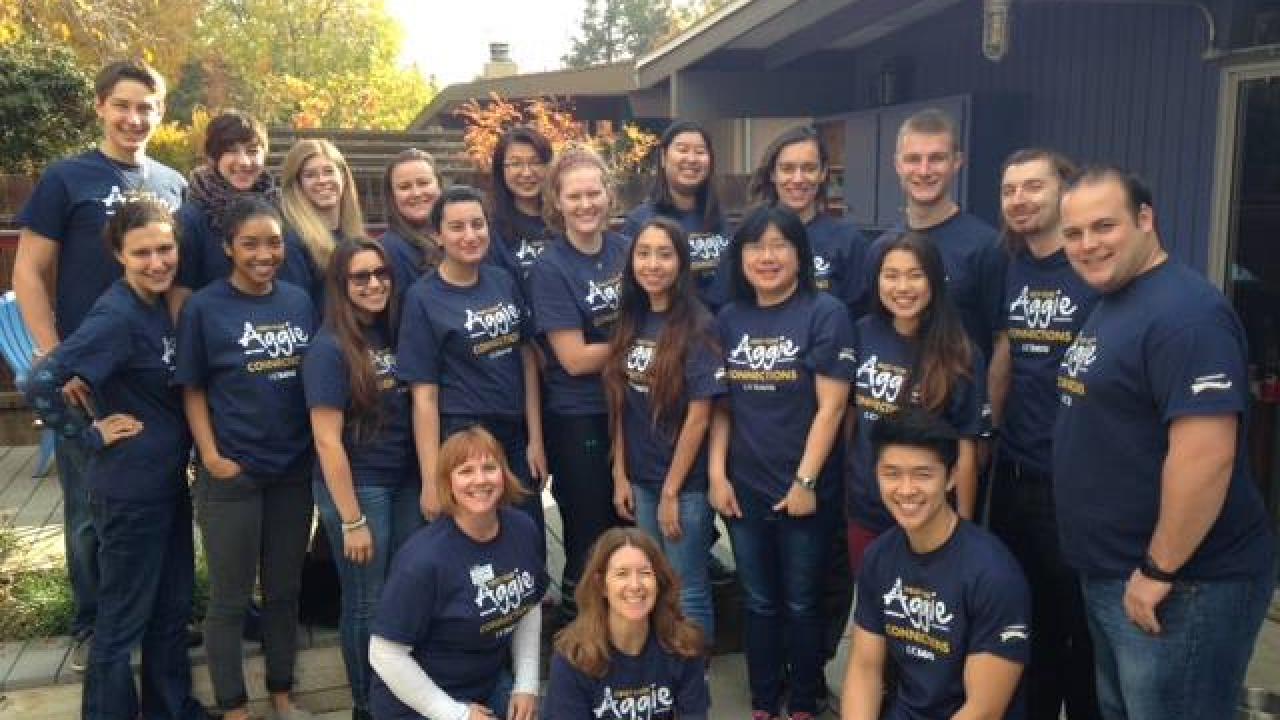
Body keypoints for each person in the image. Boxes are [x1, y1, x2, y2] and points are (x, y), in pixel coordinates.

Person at [1054, 167, 1276, 720]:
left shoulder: (1187, 315)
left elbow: (1206, 456)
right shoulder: (1117, 300)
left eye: (1104, 226)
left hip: (1182, 589)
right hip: (1117, 577)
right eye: (1074, 233)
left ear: (1145, 219)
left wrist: (1158, 570)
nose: (1087, 244)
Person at [13, 58, 186, 671]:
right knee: (90, 507)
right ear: (101, 107)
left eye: (146, 107)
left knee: (156, 500)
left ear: (161, 113)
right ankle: (96, 625)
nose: (134, 118)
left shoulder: (171, 183)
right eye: (123, 105)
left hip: (149, 373)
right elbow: (29, 270)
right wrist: (51, 351)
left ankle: (156, 618)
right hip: (89, 371)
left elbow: (176, 279)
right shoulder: (66, 178)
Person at [24, 197, 205, 719]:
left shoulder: (156, 304)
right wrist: (89, 437)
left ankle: (172, 710)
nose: (157, 262)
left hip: (166, 484)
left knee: (170, 612)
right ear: (120, 255)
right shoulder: (117, 313)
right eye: (142, 252)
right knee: (122, 623)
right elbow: (40, 383)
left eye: (165, 249)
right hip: (129, 491)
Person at [708, 205, 856, 720]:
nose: (766, 257)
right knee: (759, 602)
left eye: (779, 246)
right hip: (743, 488)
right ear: (740, 256)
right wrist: (716, 475)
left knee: (801, 602)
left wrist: (805, 481)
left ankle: (806, 698)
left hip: (804, 491)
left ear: (799, 254)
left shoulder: (825, 313)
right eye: (755, 247)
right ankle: (764, 698)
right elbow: (721, 407)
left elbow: (833, 407)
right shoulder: (728, 319)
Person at [176, 197, 317, 720]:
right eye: (251, 243)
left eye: (274, 242)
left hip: (292, 472)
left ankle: (283, 695)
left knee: (284, 592)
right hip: (232, 475)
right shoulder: (204, 308)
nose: (264, 253)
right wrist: (210, 456)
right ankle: (234, 708)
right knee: (230, 600)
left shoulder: (300, 301)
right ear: (229, 248)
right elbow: (191, 388)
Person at [986, 149, 1100, 720]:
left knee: (1077, 629)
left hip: (1076, 482)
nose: (1020, 200)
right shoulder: (1015, 264)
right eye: (1010, 190)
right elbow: (1007, 348)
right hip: (1015, 471)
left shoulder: (1090, 266)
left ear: (1065, 190)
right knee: (1023, 619)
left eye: (1034, 186)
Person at [842, 411, 1031, 720]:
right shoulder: (879, 557)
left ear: (951, 476)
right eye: (891, 473)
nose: (905, 490)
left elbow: (983, 710)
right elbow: (865, 670)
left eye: (922, 474)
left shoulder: (993, 574)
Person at [304, 238, 422, 720]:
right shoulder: (329, 348)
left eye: (381, 274)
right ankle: (365, 703)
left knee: (400, 596)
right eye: (360, 277)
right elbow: (327, 440)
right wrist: (352, 521)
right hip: (359, 489)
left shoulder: (394, 333)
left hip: (405, 481)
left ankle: (399, 694)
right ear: (341, 285)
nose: (374, 284)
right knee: (366, 603)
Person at [398, 185, 547, 536]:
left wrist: (536, 439)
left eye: (478, 225)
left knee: (526, 536)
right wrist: (432, 478)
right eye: (457, 227)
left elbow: (526, 358)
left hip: (513, 436)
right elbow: (424, 397)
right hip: (463, 439)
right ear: (438, 235)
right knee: (474, 542)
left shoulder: (502, 281)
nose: (470, 235)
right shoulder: (422, 298)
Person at [603, 216, 725, 644]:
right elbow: (621, 403)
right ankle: (660, 674)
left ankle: (695, 683)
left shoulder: (698, 323)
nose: (652, 264)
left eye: (664, 254)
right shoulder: (631, 317)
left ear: (681, 263)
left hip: (683, 486)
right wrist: (620, 472)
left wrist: (672, 490)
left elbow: (700, 416)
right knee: (649, 580)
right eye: (644, 253)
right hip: (640, 478)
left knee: (686, 586)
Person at [368, 426, 545, 720]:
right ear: (447, 483)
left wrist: (526, 684)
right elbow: (384, 654)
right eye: (465, 471)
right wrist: (455, 714)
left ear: (504, 474)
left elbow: (529, 602)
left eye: (489, 468)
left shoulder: (522, 529)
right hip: (418, 702)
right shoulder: (423, 560)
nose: (480, 480)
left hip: (486, 685)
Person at [845, 232, 987, 573]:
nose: (903, 287)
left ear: (934, 281)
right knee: (873, 604)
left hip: (931, 513)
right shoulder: (860, 333)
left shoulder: (961, 353)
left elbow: (967, 448)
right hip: (866, 506)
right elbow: (848, 416)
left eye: (915, 275)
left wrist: (963, 530)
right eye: (891, 275)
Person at [528, 145, 628, 612]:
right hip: (579, 416)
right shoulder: (551, 268)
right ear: (557, 202)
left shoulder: (628, 252)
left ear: (609, 195)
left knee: (629, 528)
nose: (586, 204)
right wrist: (648, 349)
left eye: (594, 193)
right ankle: (580, 631)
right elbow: (574, 358)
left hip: (633, 408)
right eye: (575, 196)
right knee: (589, 533)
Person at [872, 108, 1006, 360]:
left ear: (956, 162)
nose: (924, 170)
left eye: (936, 158)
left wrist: (988, 400)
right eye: (913, 159)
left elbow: (1002, 341)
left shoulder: (987, 246)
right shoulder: (881, 249)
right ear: (898, 165)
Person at [546, 527, 710, 720]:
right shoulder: (573, 657)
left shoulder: (684, 645)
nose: (635, 585)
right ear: (602, 585)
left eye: (645, 573)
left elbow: (694, 714)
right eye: (622, 573)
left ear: (658, 582)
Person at [177, 109, 315, 292]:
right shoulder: (192, 217)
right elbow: (180, 289)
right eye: (231, 151)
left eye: (252, 151)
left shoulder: (283, 208)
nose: (244, 162)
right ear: (213, 158)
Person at [749, 124, 870, 316]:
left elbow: (859, 316)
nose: (798, 179)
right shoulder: (748, 238)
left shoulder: (848, 241)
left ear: (823, 173)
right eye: (787, 168)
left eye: (809, 168)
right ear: (773, 174)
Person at [621, 121, 729, 310]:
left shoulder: (719, 218)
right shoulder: (641, 221)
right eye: (682, 149)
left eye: (700, 151)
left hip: (718, 328)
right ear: (663, 157)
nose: (692, 158)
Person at [280, 137, 366, 303]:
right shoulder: (293, 243)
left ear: (343, 176)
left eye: (329, 171)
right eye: (310, 175)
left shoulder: (355, 237)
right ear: (297, 185)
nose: (322, 180)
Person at [486, 126, 555, 284]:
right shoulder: (489, 227)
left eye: (535, 162)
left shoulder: (565, 217)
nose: (526, 173)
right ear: (500, 170)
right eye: (516, 164)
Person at [378, 148, 443, 295]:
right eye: (404, 187)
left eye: (423, 183)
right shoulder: (389, 249)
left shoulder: (458, 237)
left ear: (439, 186)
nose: (416, 193)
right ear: (392, 196)